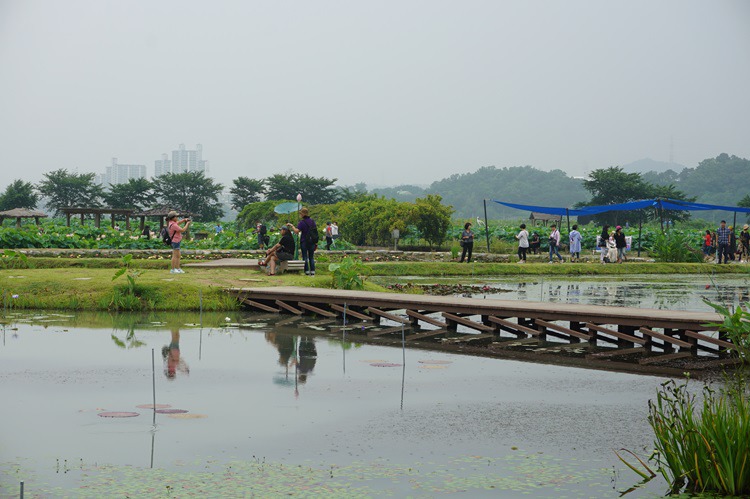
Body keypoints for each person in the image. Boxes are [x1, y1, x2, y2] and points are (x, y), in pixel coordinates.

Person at [290, 207, 317, 275]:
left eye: (300, 214)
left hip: (304, 240)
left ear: (303, 214)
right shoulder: (312, 221)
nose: (300, 215)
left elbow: (297, 231)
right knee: (311, 257)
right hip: (312, 241)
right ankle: (313, 271)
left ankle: (307, 271)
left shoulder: (302, 222)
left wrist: (292, 226)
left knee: (304, 256)